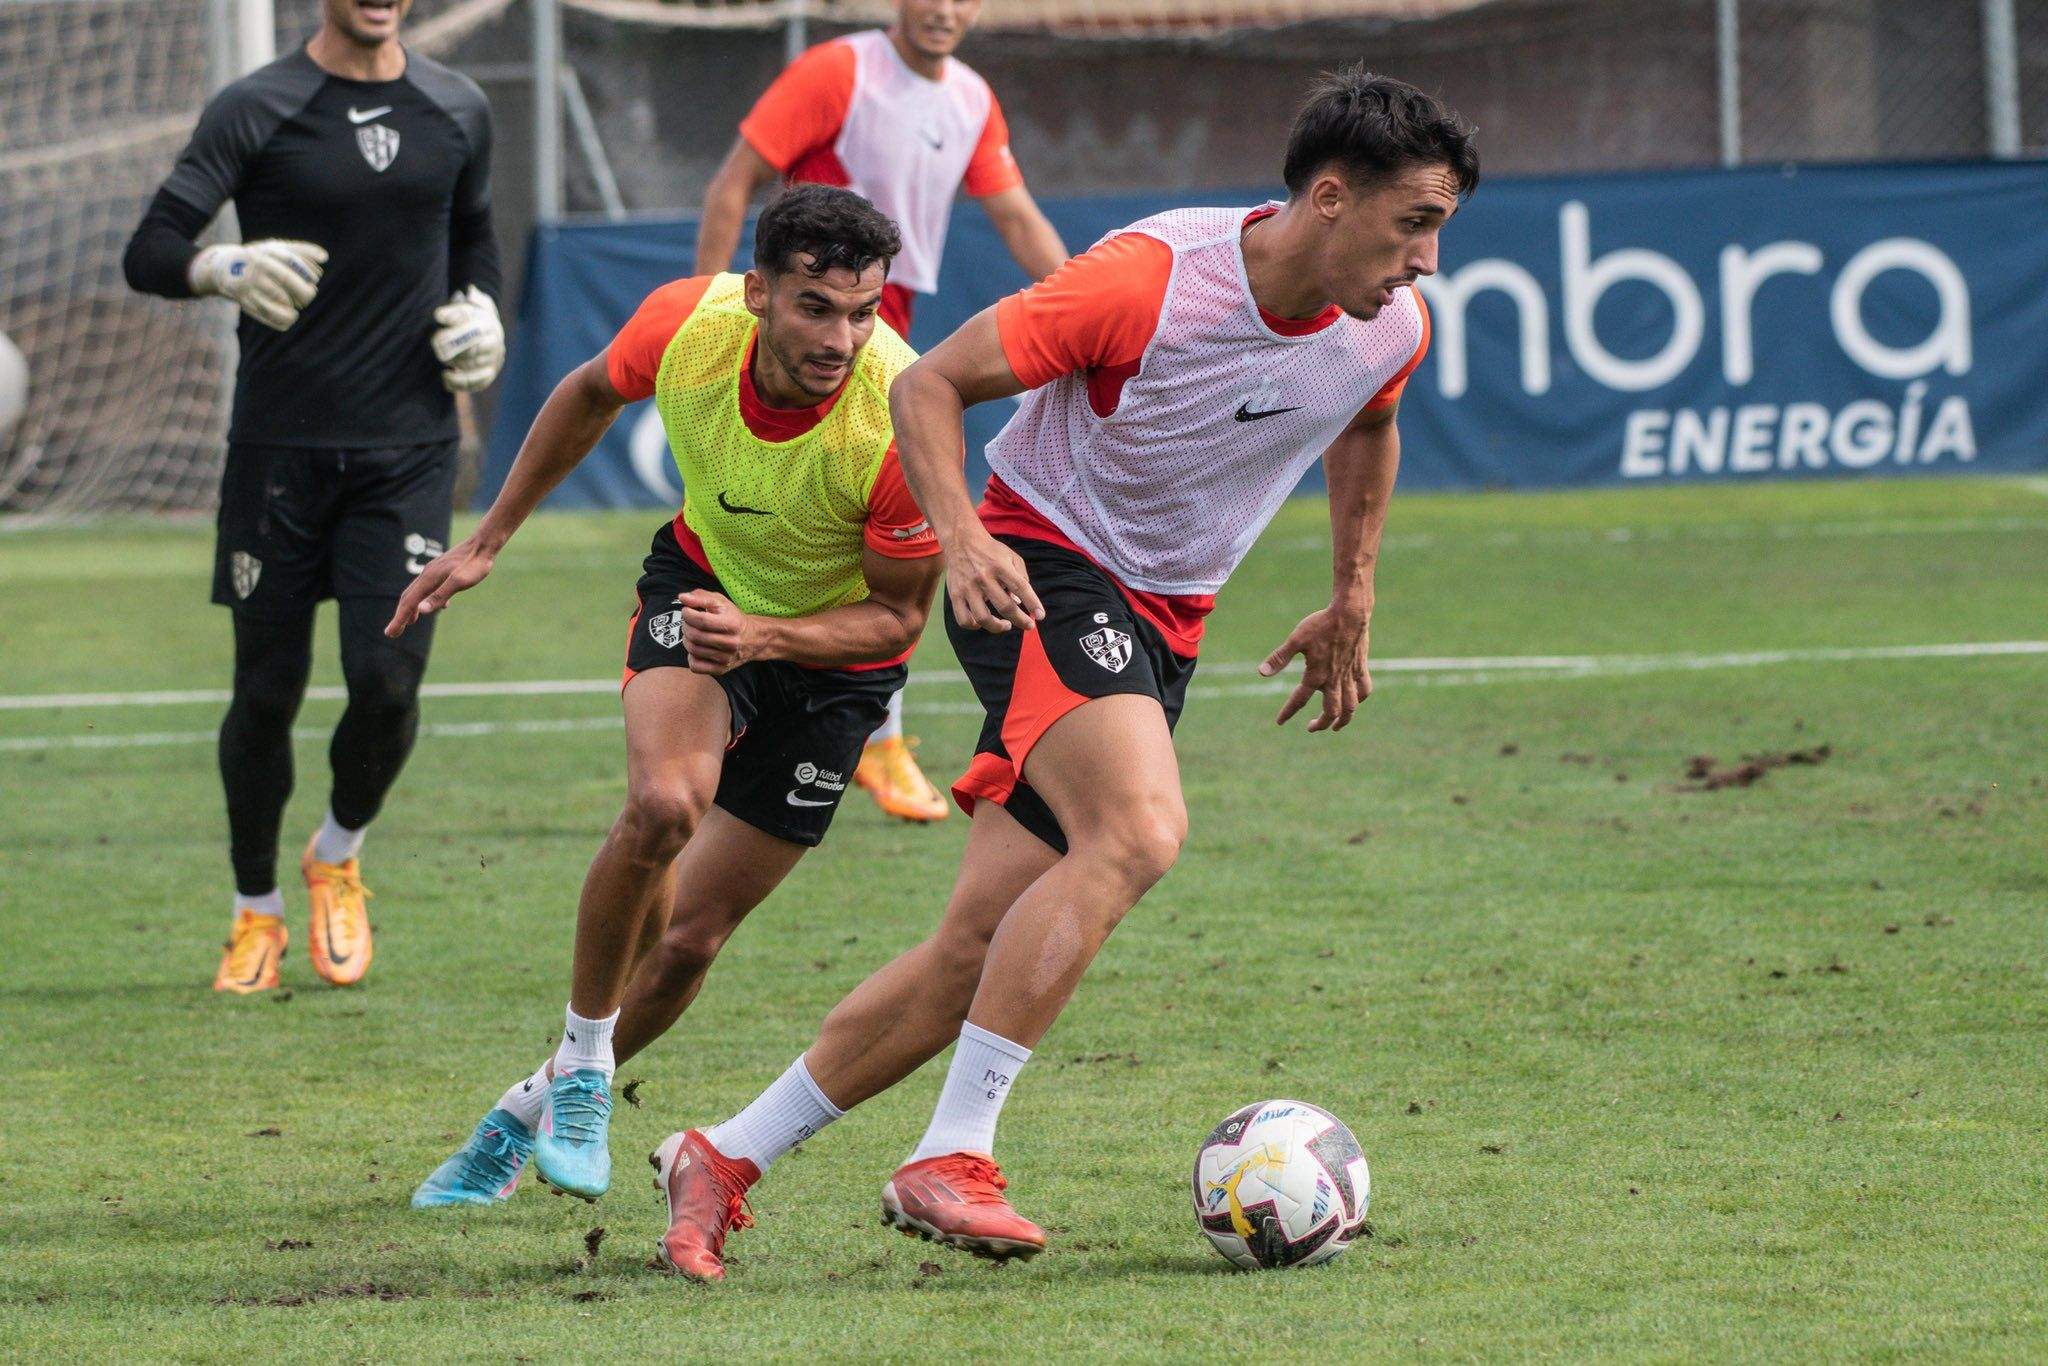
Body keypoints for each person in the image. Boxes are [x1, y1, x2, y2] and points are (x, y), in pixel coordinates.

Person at [648, 66, 1478, 1280]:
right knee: (1136, 831)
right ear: (1331, 197)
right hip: (1039, 564)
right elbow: (928, 383)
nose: (1426, 260)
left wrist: (1352, 592)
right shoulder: (1150, 278)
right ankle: (953, 1153)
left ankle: (721, 1155)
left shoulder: (1388, 330)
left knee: (974, 946)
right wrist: (964, 540)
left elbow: (1368, 420)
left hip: (1164, 620)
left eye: (1440, 230)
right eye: (1414, 224)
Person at [398, 186, 943, 1212]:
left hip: (834, 662)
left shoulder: (898, 420)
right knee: (662, 807)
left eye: (863, 312)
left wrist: (768, 636)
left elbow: (897, 618)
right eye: (815, 307)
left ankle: (517, 1114)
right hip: (700, 591)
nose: (841, 338)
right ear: (757, 293)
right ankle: (586, 1071)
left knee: (688, 939)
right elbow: (584, 395)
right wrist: (487, 538)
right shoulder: (688, 325)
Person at [122, 0, 502, 995]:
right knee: (266, 692)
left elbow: (473, 236)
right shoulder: (257, 107)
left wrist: (486, 314)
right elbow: (149, 248)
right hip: (278, 453)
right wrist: (218, 265)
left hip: (408, 452)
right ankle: (255, 912)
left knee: (387, 682)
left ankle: (337, 852)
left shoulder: (457, 107)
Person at [697, 0, 1068, 824]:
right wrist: (705, 305)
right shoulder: (840, 71)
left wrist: (1084, 310)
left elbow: (1015, 214)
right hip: (810, 330)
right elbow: (733, 182)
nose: (943, 8)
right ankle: (835, 727)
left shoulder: (970, 97)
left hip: (880, 332)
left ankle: (865, 735)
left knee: (881, 538)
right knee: (818, 535)